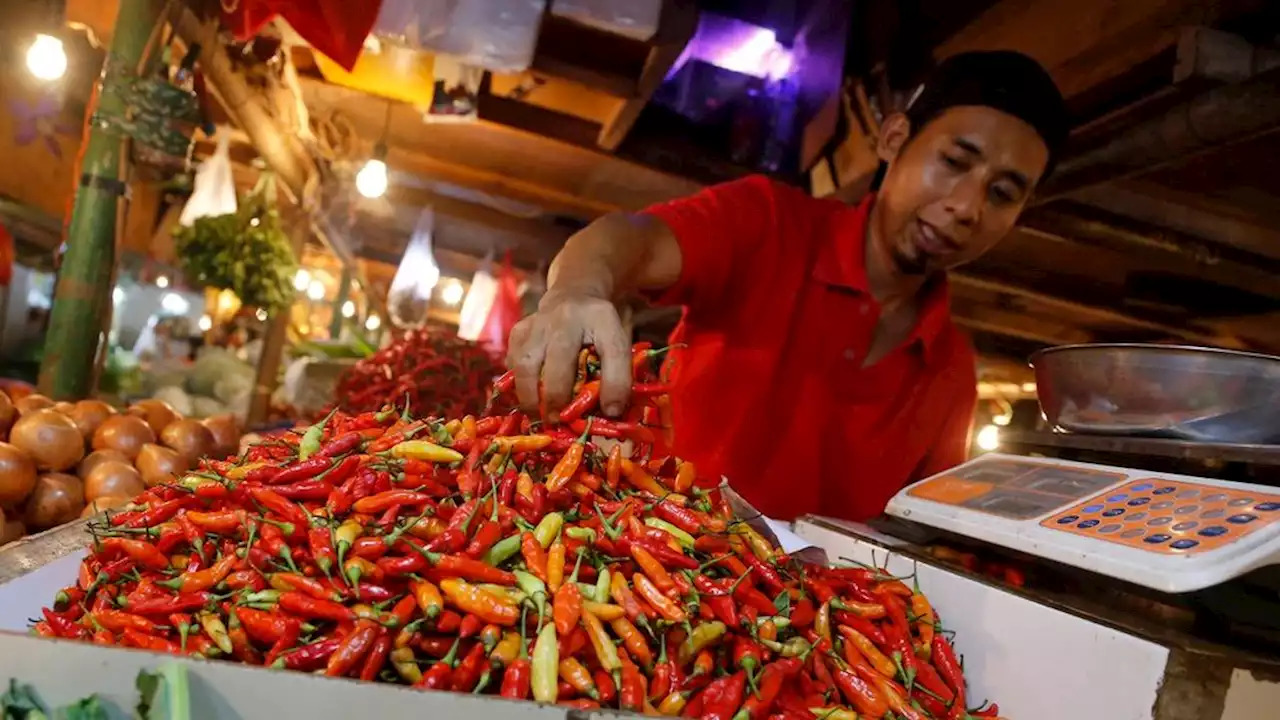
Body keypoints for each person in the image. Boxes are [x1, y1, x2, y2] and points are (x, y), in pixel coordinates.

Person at [507, 51, 1069, 521]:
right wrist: (577, 289)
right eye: (954, 161)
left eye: (1002, 194)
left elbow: (916, 536)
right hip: (649, 558)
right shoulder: (769, 224)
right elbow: (631, 239)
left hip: (787, 636)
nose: (967, 206)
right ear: (895, 137)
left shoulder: (951, 374)